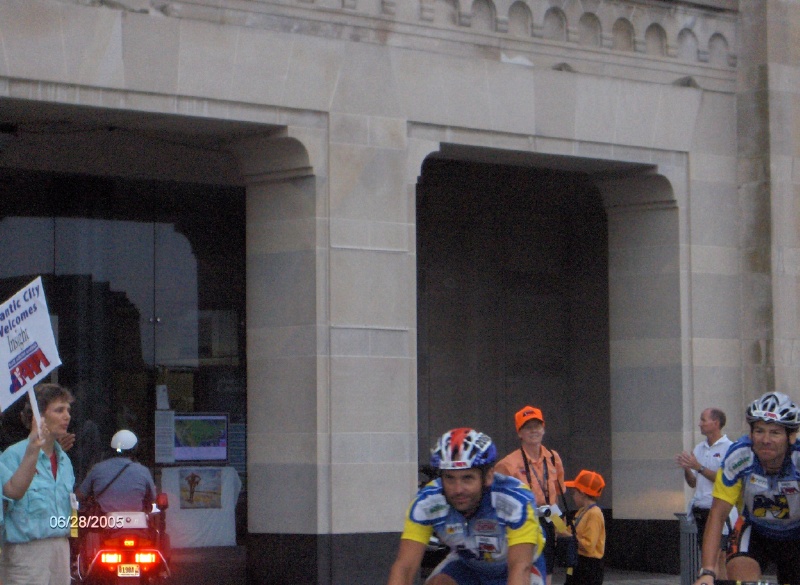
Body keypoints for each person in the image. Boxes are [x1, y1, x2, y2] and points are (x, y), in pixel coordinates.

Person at [386, 427, 546, 585]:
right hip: (469, 566)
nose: (458, 489)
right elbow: (405, 567)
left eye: (467, 478)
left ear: (488, 477)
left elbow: (520, 567)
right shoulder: (427, 502)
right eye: (449, 478)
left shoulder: (514, 501)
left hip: (518, 565)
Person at [694, 392, 800, 585]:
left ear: (791, 436)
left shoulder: (797, 459)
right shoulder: (739, 457)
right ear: (751, 434)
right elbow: (717, 514)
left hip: (796, 532)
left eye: (775, 433)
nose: (765, 439)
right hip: (755, 529)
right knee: (742, 576)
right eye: (759, 431)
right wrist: (707, 571)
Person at [0, 383, 76, 585]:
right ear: (38, 416)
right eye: (59, 410)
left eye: (68, 410)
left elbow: (71, 509)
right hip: (26, 553)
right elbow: (7, 503)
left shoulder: (64, 460)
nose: (67, 416)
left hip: (61, 549)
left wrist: (72, 538)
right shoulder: (13, 456)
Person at [495, 406, 565, 585]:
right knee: (522, 570)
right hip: (522, 523)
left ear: (543, 428)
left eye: (537, 426)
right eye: (528, 427)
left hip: (548, 520)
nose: (534, 431)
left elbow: (554, 499)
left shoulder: (553, 458)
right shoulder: (508, 464)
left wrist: (561, 529)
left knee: (547, 572)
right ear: (520, 433)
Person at [675, 407, 733, 578]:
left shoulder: (729, 448)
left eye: (703, 420)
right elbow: (693, 482)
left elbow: (724, 480)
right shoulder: (699, 448)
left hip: (719, 509)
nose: (700, 424)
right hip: (701, 508)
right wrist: (687, 468)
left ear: (716, 423)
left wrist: (698, 467)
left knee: (716, 556)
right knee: (711, 556)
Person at [77, 429, 156, 513]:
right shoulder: (143, 471)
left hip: (105, 519)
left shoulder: (98, 468)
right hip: (137, 519)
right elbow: (153, 498)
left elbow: (80, 495)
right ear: (135, 449)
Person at [563, 470, 606, 585]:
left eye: (574, 493)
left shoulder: (594, 514)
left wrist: (568, 536)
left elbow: (589, 545)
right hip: (577, 563)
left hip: (589, 567)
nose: (573, 496)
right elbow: (570, 532)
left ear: (582, 493)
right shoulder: (582, 512)